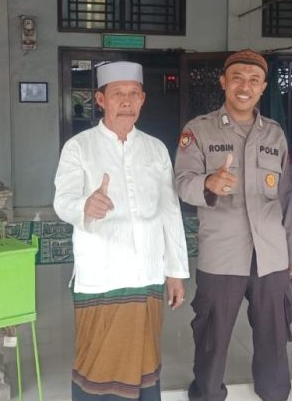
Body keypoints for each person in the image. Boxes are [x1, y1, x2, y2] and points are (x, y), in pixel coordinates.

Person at [53, 61, 190, 401]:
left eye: (133, 94)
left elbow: (170, 211)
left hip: (147, 273)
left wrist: (175, 271)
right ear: (101, 100)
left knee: (145, 363)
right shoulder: (79, 147)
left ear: (143, 99)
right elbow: (62, 200)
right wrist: (85, 205)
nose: (126, 101)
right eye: (117, 94)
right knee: (99, 367)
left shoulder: (156, 148)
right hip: (102, 275)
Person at [174, 49, 292, 401]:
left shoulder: (275, 134)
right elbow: (182, 182)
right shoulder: (198, 130)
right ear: (223, 82)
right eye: (237, 79)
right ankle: (207, 394)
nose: (245, 87)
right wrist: (208, 183)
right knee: (212, 337)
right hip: (222, 254)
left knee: (274, 336)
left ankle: (274, 394)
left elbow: (287, 196)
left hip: (271, 256)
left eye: (254, 80)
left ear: (263, 88)